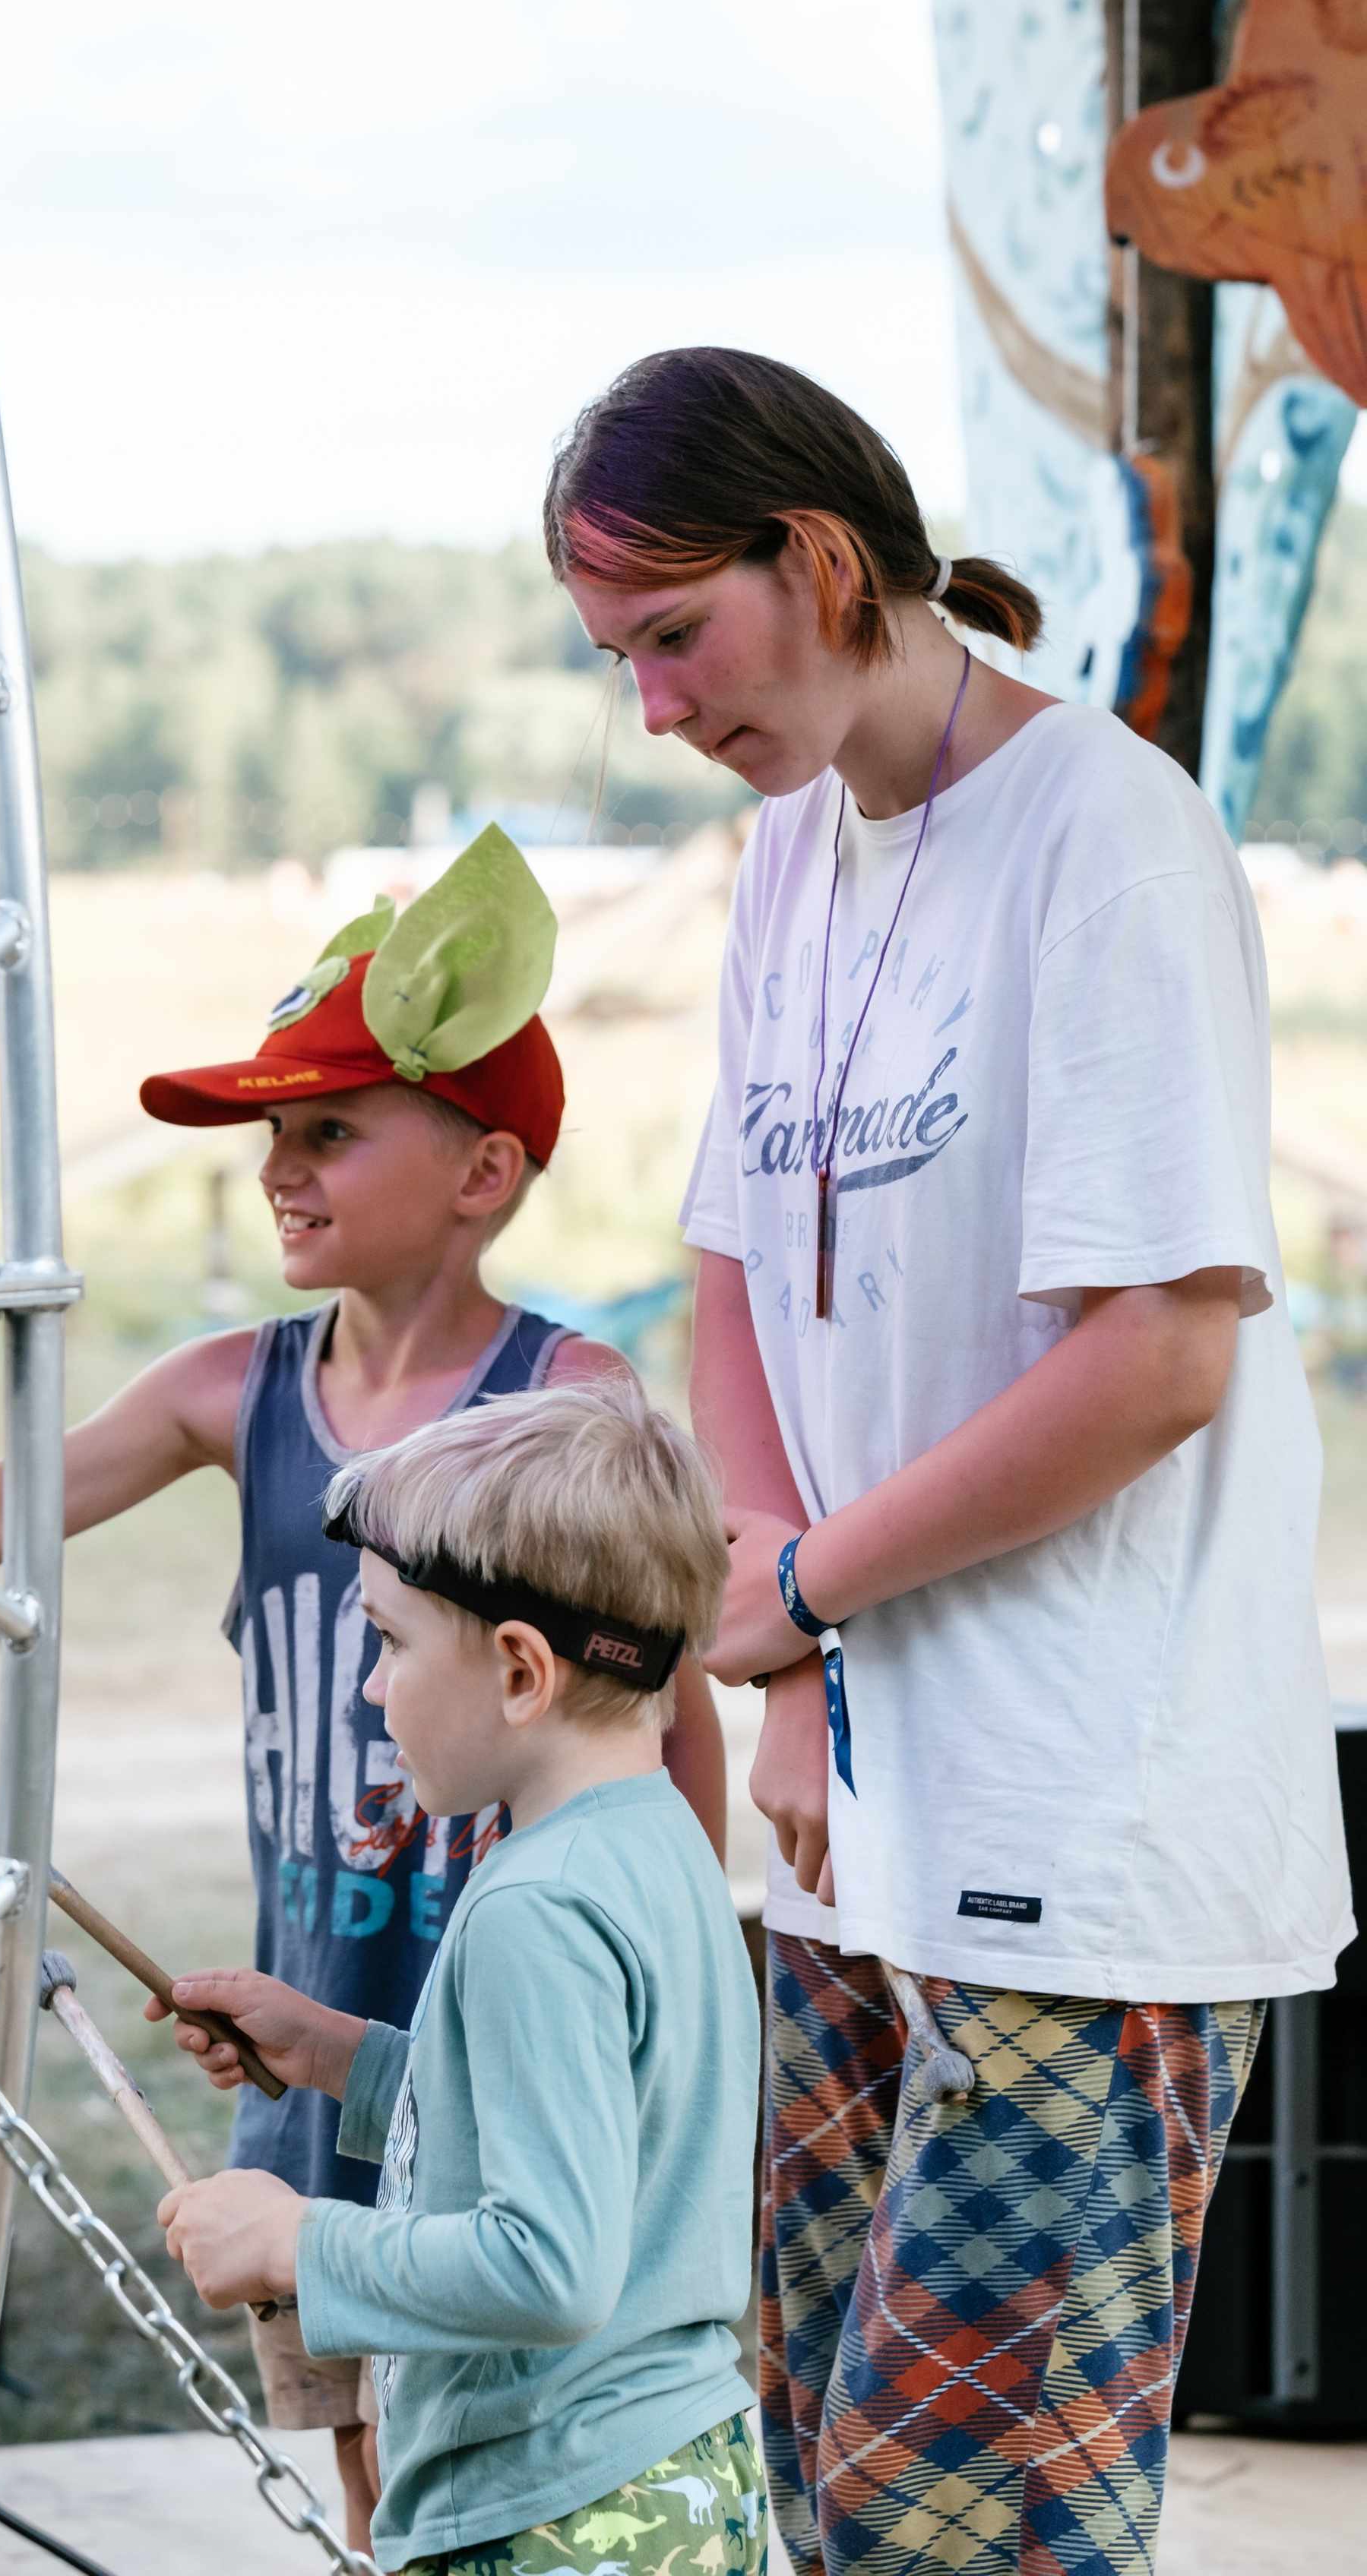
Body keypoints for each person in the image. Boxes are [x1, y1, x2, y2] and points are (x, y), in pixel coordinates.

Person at [540, 345, 1356, 2576]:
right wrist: (789, 1652)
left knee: (966, 2538)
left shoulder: (1107, 837)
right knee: (825, 2505)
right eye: (616, 663)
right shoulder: (791, 860)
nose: (656, 713)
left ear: (819, 562)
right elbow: (729, 1273)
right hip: (847, 1831)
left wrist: (807, 1597)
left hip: (1083, 1843)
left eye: (673, 639)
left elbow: (1162, 1355)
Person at [0, 826, 729, 2551]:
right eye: (268, 1137)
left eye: (328, 1131)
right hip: (339, 2015)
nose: (278, 1171)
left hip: (520, 1953)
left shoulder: (567, 1399)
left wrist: (668, 1951)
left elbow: (668, 1711)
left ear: (483, 1171)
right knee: (369, 2428)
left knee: (510, 2329)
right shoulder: (227, 1387)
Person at [154, 1381, 763, 2576]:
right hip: (678, 2472)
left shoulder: (537, 1907)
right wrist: (339, 2057)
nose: (372, 1687)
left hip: (555, 2517)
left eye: (388, 1641)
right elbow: (589, 2127)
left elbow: (549, 2265)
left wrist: (296, 2243)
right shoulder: (655, 1845)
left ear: (522, 1671)